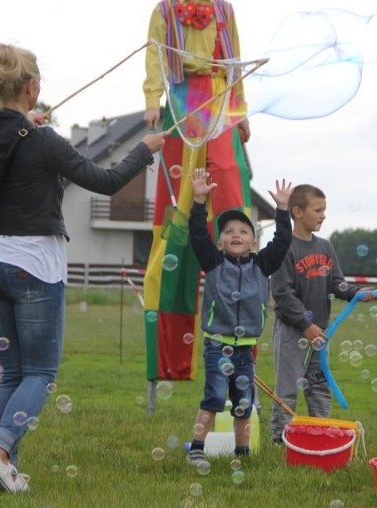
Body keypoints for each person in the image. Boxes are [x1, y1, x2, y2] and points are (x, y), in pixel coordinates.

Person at [0, 43, 166, 494]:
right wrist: (142, 151)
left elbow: (6, 151)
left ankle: (6, 473)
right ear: (32, 87)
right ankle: (0, 450)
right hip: (33, 266)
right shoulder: (42, 140)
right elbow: (107, 180)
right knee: (39, 374)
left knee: (14, 374)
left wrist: (29, 129)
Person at [142, 0, 252, 385]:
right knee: (176, 221)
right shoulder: (165, 9)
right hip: (181, 100)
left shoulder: (224, 8)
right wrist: (152, 101)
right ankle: (169, 360)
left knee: (231, 201)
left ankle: (242, 350)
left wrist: (241, 112)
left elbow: (235, 58)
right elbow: (155, 54)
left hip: (220, 102)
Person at [184, 169, 292, 465]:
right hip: (217, 345)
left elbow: (282, 242)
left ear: (254, 243)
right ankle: (196, 449)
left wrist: (283, 210)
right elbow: (196, 232)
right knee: (215, 398)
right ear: (219, 242)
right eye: (229, 231)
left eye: (243, 231)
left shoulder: (262, 265)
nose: (236, 235)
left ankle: (242, 455)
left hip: (246, 347)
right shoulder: (214, 262)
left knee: (244, 404)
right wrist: (199, 199)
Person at [269, 185, 374, 444]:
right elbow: (282, 293)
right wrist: (305, 325)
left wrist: (355, 292)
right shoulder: (285, 248)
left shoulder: (325, 247)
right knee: (288, 389)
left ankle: (322, 436)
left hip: (320, 332)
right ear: (297, 212)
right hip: (294, 331)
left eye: (324, 210)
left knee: (318, 384)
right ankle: (278, 441)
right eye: (318, 210)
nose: (323, 215)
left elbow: (336, 282)